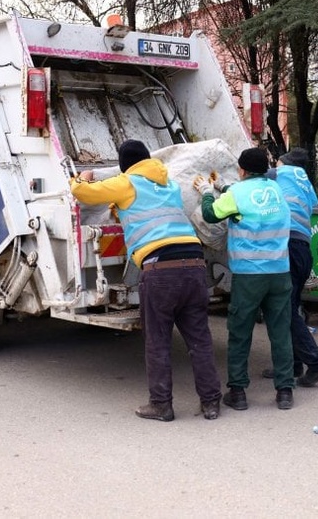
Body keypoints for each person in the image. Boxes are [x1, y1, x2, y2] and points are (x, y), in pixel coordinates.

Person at [70, 140, 222, 422]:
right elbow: (151, 212)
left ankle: (161, 405)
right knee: (199, 339)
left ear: (126, 164)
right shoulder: (170, 185)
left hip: (161, 269)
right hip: (194, 265)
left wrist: (83, 177)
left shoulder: (127, 183)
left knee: (158, 341)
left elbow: (83, 193)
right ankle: (211, 403)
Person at [193, 147, 295, 411]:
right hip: (280, 273)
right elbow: (252, 201)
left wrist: (206, 192)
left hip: (250, 275)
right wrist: (225, 187)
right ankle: (285, 392)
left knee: (240, 333)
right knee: (280, 332)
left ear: (242, 170)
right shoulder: (277, 192)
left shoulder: (238, 193)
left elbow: (210, 214)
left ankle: (237, 392)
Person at [262, 148, 318, 387]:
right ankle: (292, 364)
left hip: (287, 246)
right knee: (290, 305)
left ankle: (317, 362)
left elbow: (249, 181)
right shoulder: (306, 184)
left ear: (284, 162)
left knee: (284, 309)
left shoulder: (280, 173)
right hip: (303, 249)